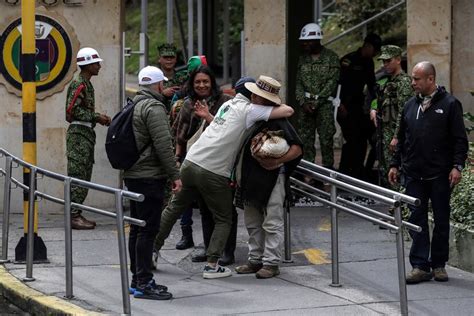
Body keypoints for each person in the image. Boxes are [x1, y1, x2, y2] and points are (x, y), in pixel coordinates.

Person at [154, 75, 294, 279]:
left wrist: (208, 116)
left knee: (174, 208)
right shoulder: (249, 110)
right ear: (252, 97)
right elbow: (288, 110)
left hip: (191, 162)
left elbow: (221, 126)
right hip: (213, 170)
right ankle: (212, 265)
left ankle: (151, 250)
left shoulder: (226, 106)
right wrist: (273, 104)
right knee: (223, 218)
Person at [388, 61, 468, 284]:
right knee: (416, 220)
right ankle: (420, 266)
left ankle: (439, 264)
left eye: (417, 79)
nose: (412, 83)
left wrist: (457, 166)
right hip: (414, 174)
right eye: (413, 78)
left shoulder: (451, 104)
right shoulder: (409, 106)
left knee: (441, 220)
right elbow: (400, 140)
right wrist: (394, 164)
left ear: (430, 80)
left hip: (440, 174)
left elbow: (460, 140)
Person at [124, 66, 182, 300]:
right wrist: (175, 176)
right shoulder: (154, 107)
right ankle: (145, 282)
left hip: (133, 174)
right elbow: (163, 146)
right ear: (159, 85)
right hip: (149, 177)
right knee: (148, 230)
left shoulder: (134, 104)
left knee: (137, 230)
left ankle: (137, 279)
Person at [235, 83, 303, 279]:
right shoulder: (255, 118)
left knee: (272, 222)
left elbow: (297, 148)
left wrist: (277, 162)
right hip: (251, 178)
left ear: (266, 100)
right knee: (252, 222)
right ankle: (255, 259)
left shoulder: (280, 121)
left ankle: (271, 263)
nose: (253, 98)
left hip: (273, 178)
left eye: (257, 96)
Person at [171, 66, 234, 261]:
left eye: (205, 81)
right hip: (197, 165)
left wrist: (208, 116)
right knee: (205, 209)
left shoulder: (226, 103)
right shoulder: (187, 105)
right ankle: (209, 249)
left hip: (222, 165)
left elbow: (230, 130)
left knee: (224, 210)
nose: (201, 85)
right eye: (197, 82)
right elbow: (180, 139)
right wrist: (177, 162)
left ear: (212, 83)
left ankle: (227, 252)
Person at [65, 47, 111, 230]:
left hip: (85, 134)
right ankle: (74, 216)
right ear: (87, 65)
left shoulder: (86, 83)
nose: (99, 66)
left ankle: (76, 213)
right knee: (78, 175)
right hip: (78, 135)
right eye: (96, 63)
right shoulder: (79, 83)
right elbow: (71, 111)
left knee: (84, 174)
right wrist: (97, 117)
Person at [295, 23, 340, 169]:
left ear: (317, 40)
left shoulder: (331, 57)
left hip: (324, 105)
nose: (305, 44)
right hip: (305, 106)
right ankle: (309, 172)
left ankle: (327, 173)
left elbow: (331, 83)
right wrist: (303, 102)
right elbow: (298, 83)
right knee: (305, 140)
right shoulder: (303, 58)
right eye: (304, 42)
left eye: (308, 41)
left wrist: (317, 102)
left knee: (326, 140)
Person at [337, 33, 381, 179]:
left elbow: (371, 85)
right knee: (352, 140)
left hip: (359, 106)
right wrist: (340, 105)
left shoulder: (369, 62)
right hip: (344, 106)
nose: (375, 54)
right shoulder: (348, 60)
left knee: (363, 139)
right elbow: (336, 85)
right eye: (374, 50)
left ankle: (359, 172)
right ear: (367, 46)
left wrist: (376, 104)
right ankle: (344, 172)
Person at [370, 45, 413, 186]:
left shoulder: (404, 82)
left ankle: (399, 205)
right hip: (384, 132)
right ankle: (391, 205)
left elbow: (404, 111)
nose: (385, 64)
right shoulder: (388, 80)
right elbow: (379, 99)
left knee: (395, 172)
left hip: (395, 134)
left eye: (388, 61)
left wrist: (396, 137)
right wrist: (374, 108)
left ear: (398, 60)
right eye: (383, 61)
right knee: (384, 170)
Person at [156, 43, 187, 110]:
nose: (169, 60)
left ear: (176, 59)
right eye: (165, 57)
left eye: (172, 57)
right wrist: (163, 94)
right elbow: (147, 98)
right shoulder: (154, 79)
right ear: (159, 59)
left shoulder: (184, 77)